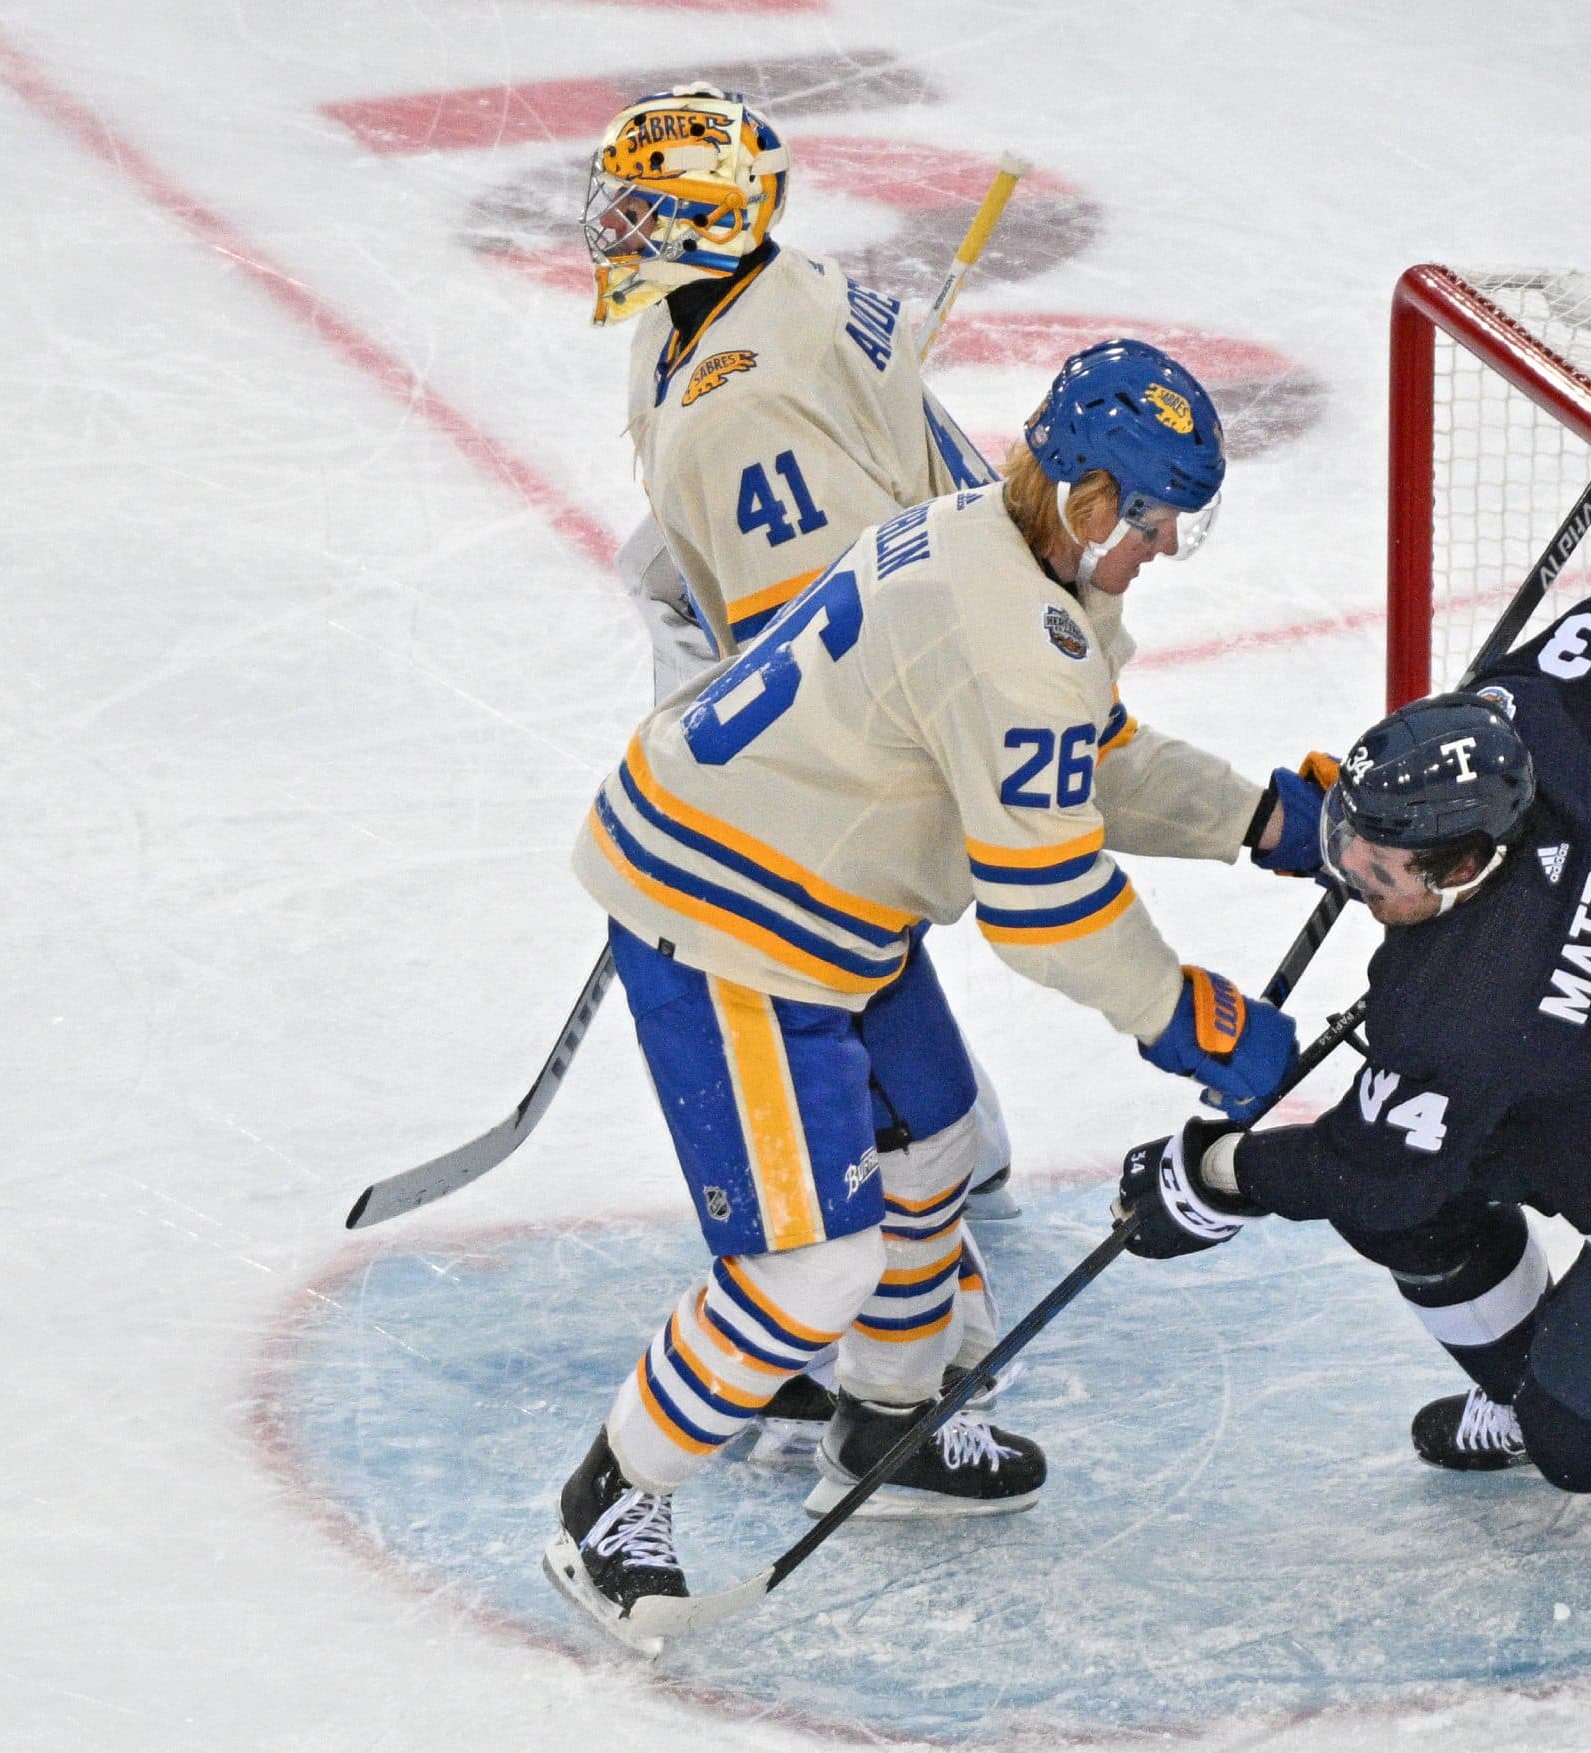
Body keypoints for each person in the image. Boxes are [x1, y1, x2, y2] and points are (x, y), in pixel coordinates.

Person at [543, 333, 1336, 1650]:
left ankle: (886, 1421)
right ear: (1092, 503)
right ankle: (608, 1503)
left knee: (938, 1153)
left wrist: (1260, 822)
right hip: (727, 922)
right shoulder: (1009, 634)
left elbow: (1092, 753)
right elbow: (1044, 904)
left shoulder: (985, 539)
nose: (1161, 557)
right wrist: (1192, 1020)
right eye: (1157, 529)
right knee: (810, 1269)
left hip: (822, 900)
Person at [1113, 574, 1591, 1496]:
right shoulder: (1531, 721)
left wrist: (1212, 1178)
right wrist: (1503, 702)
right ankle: (1533, 1387)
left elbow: (1366, 1163)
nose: (1348, 871)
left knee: (1580, 1449)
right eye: (1348, 837)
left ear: (1466, 867)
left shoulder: (1467, 998)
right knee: (1409, 1194)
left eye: (1376, 865)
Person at [579, 83, 1023, 1458]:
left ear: (714, 222)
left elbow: (818, 648)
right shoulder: (706, 316)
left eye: (645, 206)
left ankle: (836, 1327)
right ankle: (897, 1313)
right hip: (895, 693)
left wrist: (711, 698)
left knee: (851, 1024)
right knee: (902, 1088)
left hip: (874, 755)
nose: (614, 225)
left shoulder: (744, 398)